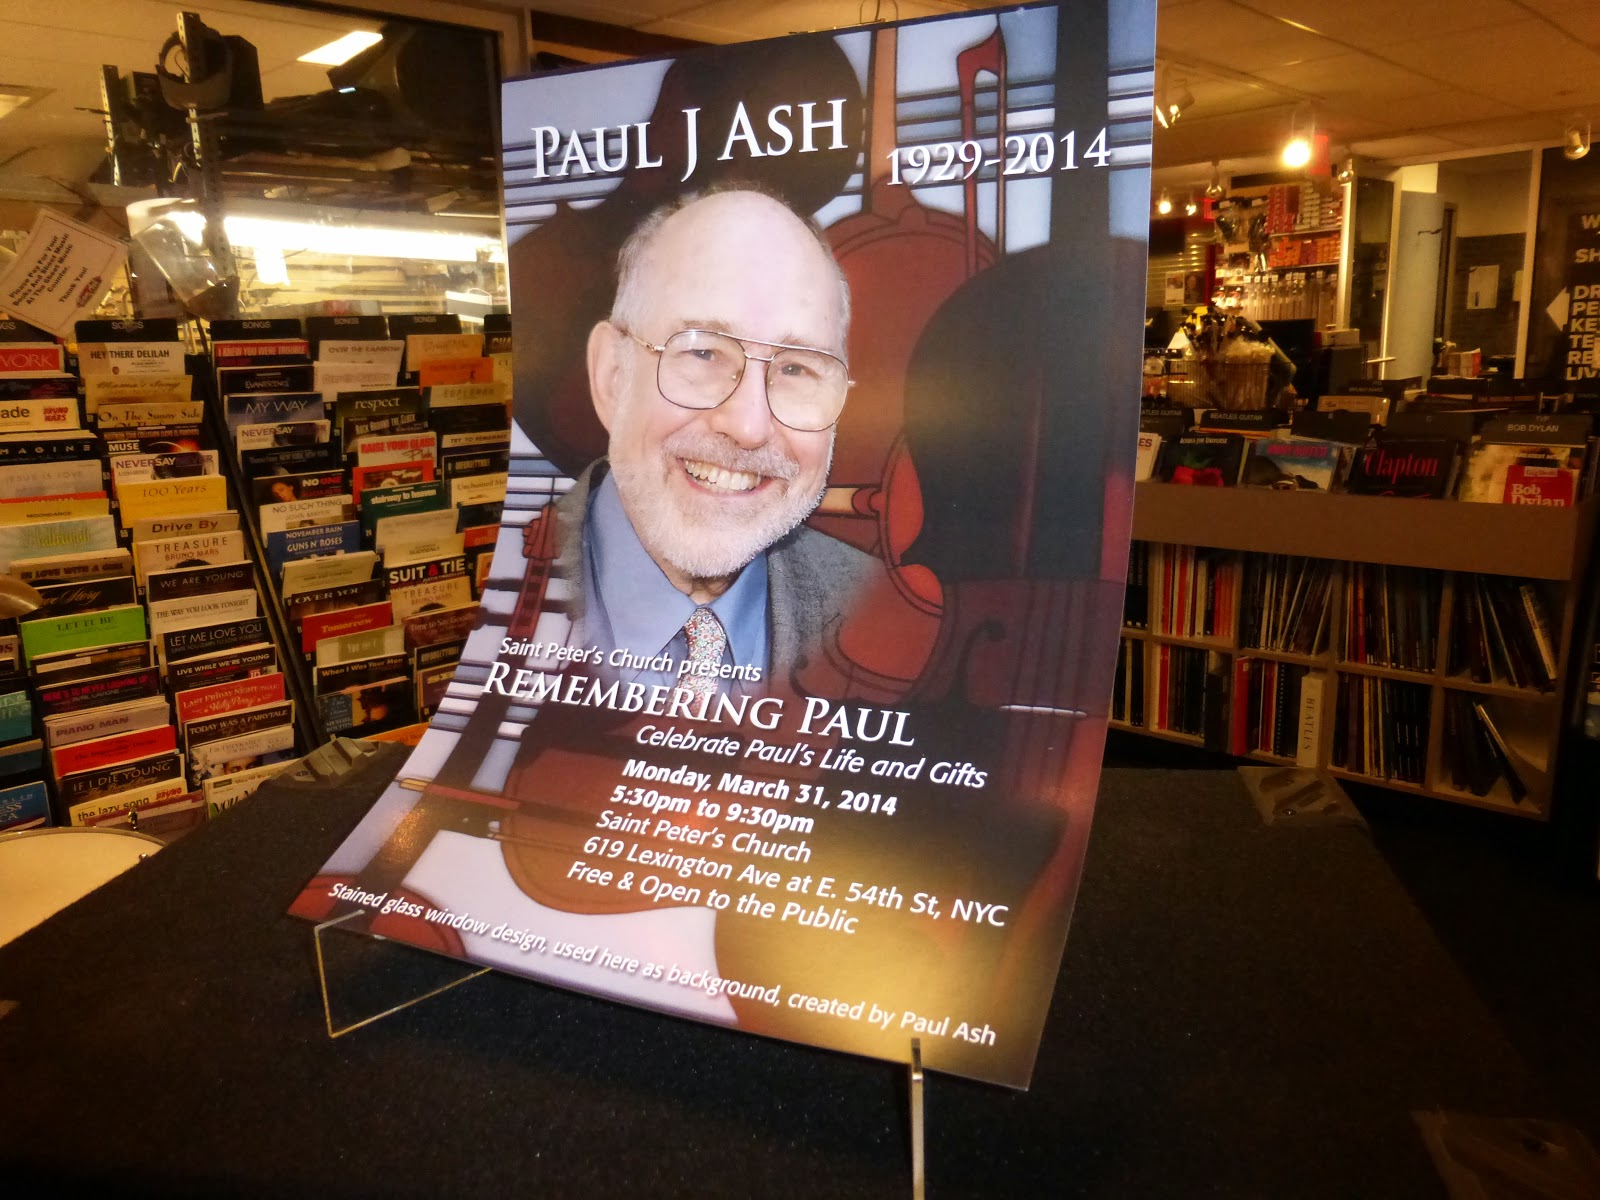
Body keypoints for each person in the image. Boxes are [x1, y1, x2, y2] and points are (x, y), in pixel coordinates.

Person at [540, 186, 878, 695]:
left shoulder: (889, 611)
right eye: (703, 353)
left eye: (796, 369)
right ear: (612, 376)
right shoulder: (502, 580)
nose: (749, 426)